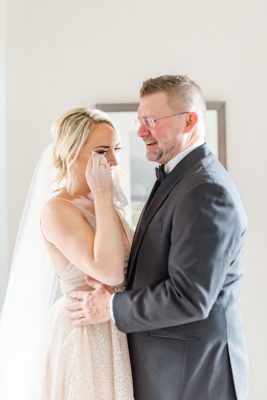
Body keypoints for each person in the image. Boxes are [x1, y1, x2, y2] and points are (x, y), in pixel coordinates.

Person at [68, 76, 250, 400]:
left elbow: (188, 296)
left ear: (189, 121)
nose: (140, 132)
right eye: (140, 121)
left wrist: (111, 306)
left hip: (193, 380)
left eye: (151, 121)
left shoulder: (205, 189)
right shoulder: (179, 176)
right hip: (172, 375)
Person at [0, 108, 134, 400]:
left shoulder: (108, 203)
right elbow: (111, 272)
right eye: (102, 151)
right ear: (72, 154)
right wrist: (101, 195)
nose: (113, 161)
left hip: (117, 327)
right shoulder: (57, 210)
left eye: (117, 149)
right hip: (84, 338)